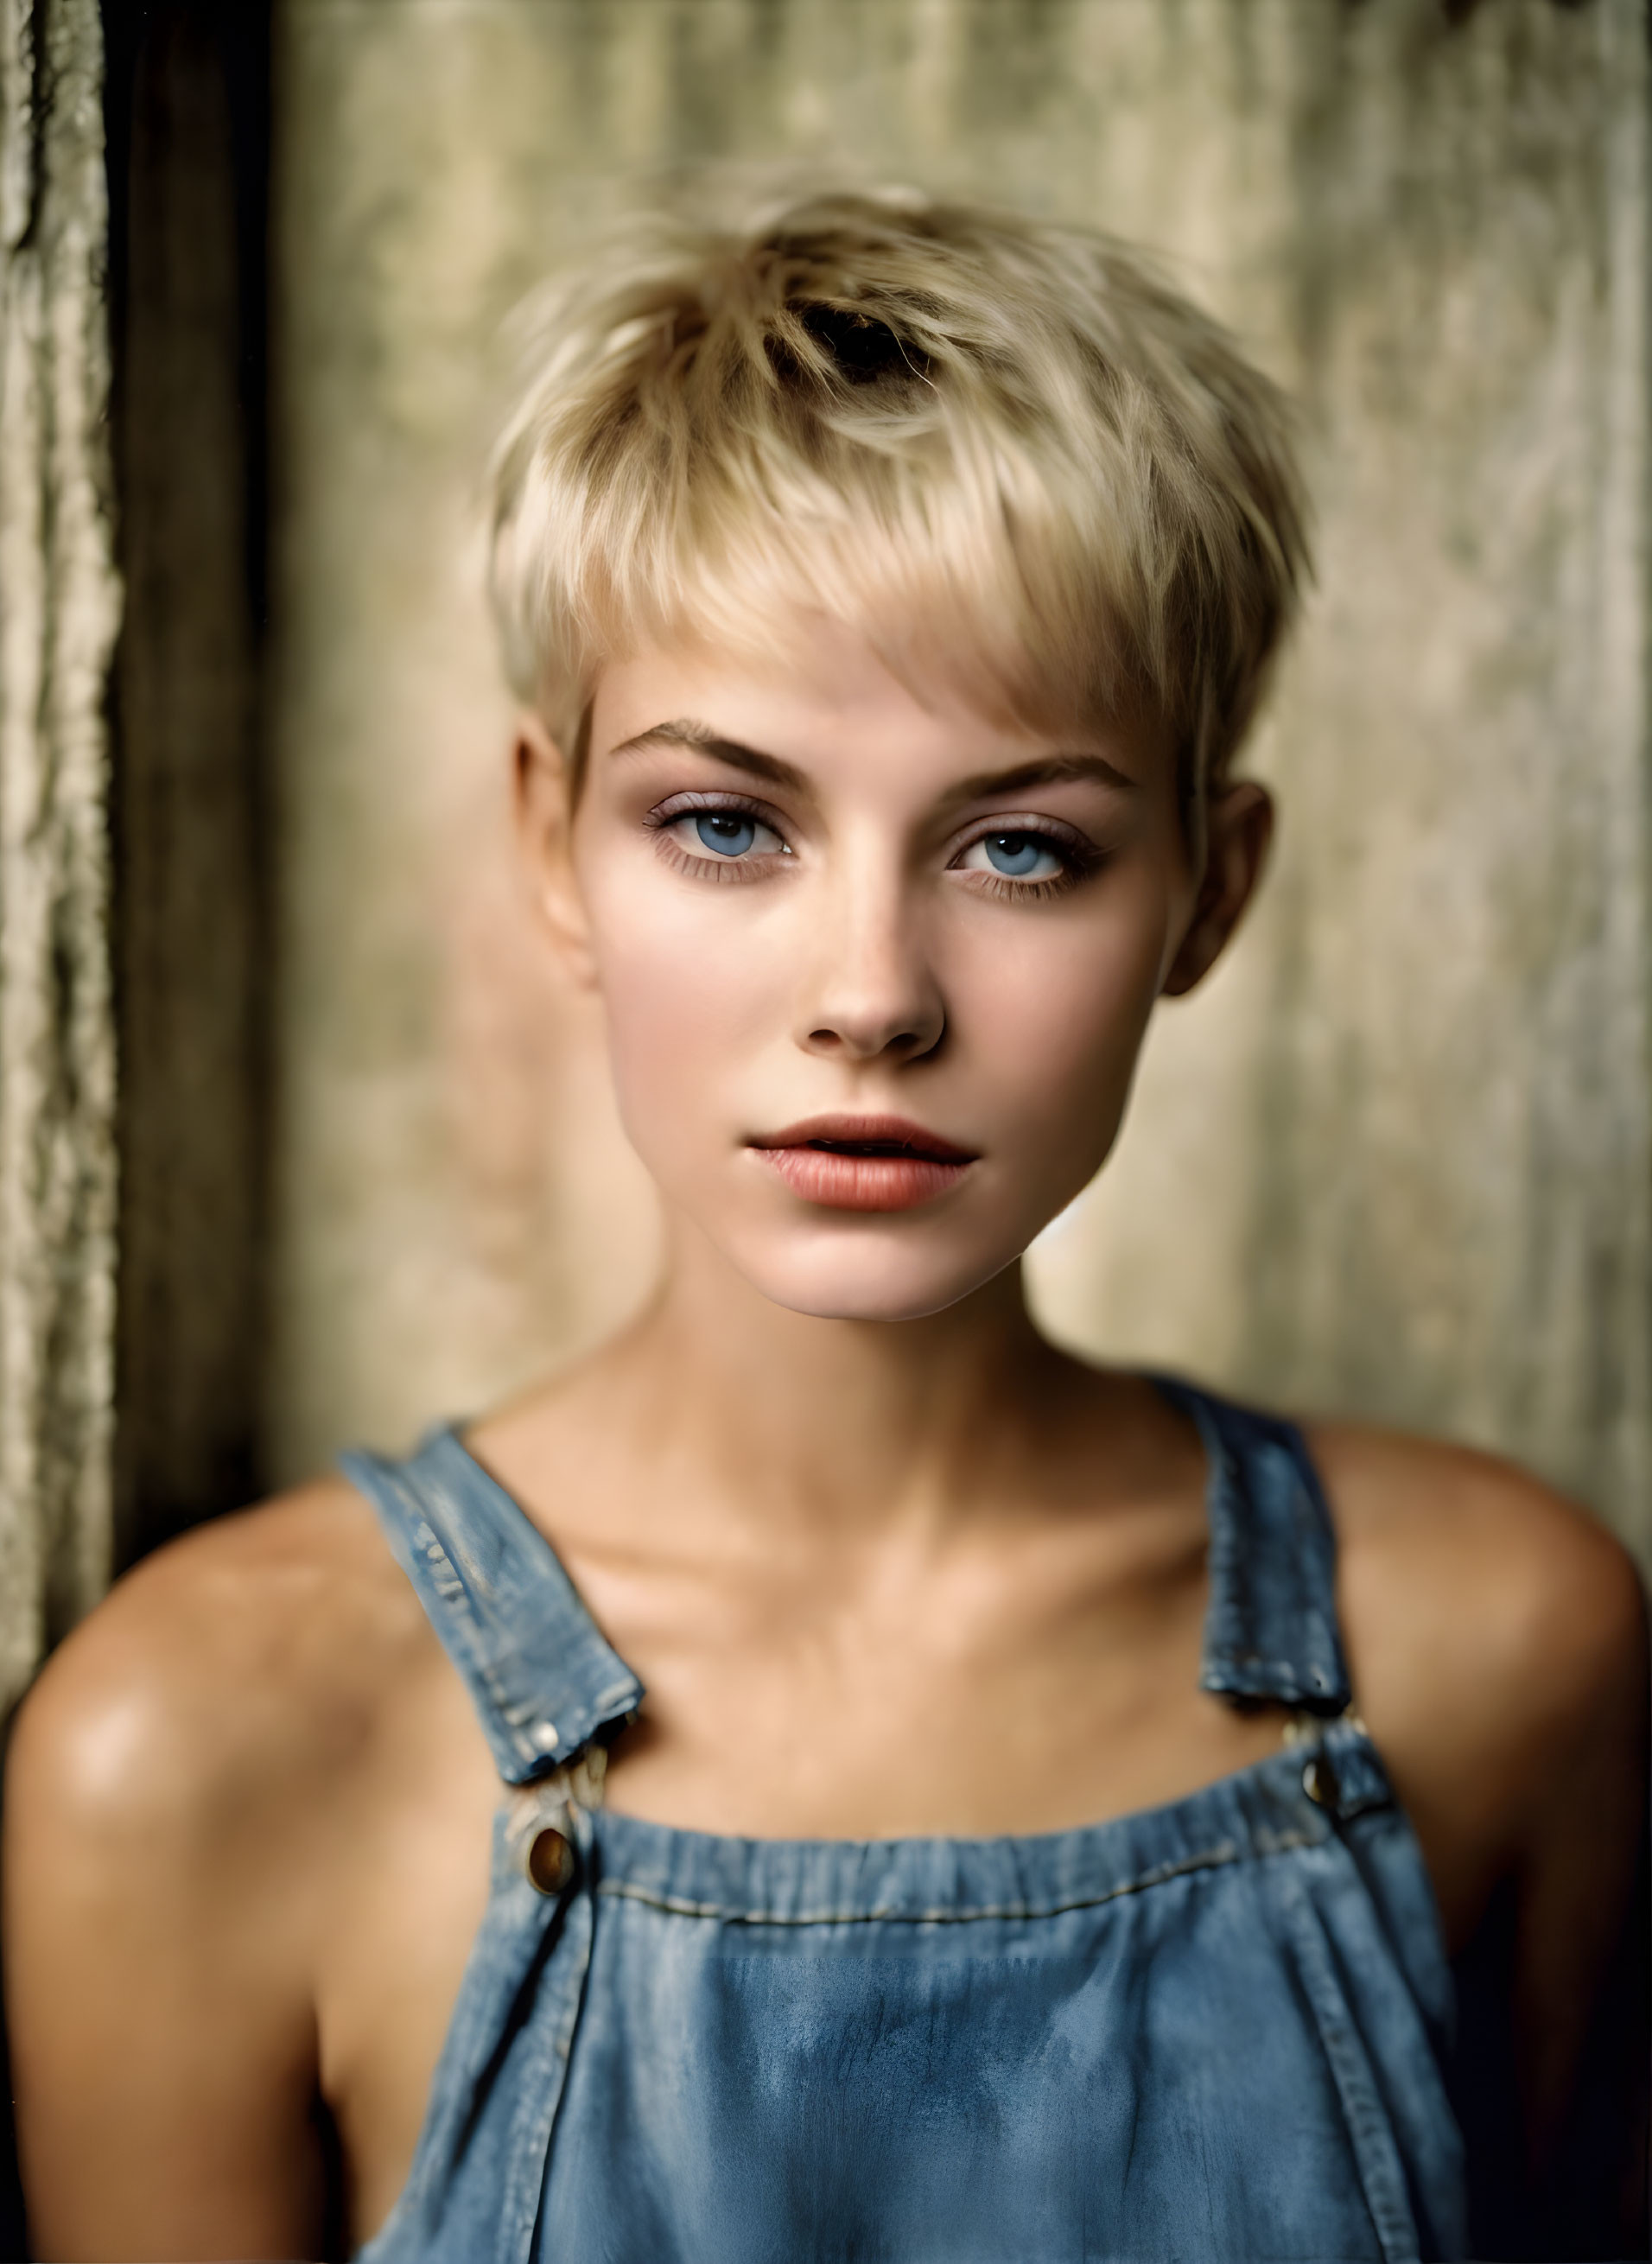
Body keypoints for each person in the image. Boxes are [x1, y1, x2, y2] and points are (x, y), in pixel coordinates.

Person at [4, 187, 1646, 2264]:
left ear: (1207, 896)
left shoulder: (1504, 1658)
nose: (872, 990)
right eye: (723, 821)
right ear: (551, 842)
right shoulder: (203, 1750)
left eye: (1023, 846)